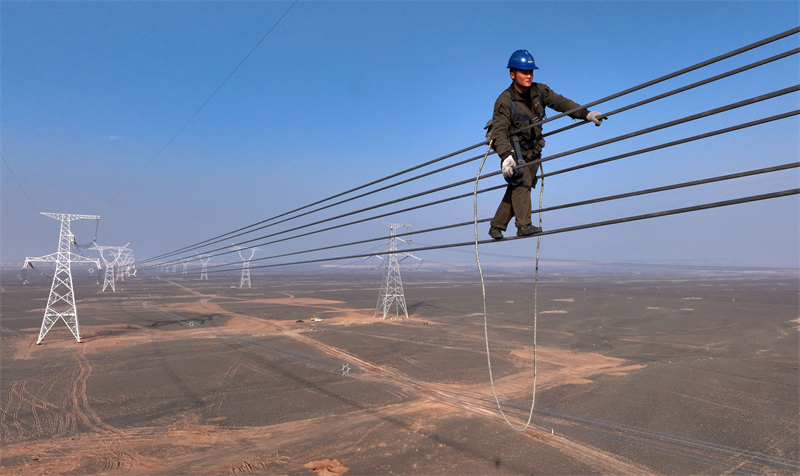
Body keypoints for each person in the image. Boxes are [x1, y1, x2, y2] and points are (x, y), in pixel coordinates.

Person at [488, 50, 604, 239]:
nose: (528, 76)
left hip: (534, 148)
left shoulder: (539, 91)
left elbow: (562, 104)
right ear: (512, 74)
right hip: (514, 150)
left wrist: (586, 114)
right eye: (524, 72)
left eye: (530, 72)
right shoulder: (505, 102)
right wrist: (505, 157)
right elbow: (499, 132)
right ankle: (523, 225)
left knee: (521, 185)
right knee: (522, 182)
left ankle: (497, 226)